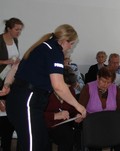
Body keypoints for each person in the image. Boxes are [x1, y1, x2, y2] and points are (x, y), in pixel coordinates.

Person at [0, 24, 86, 151]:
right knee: (32, 146)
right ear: (64, 41)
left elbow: (16, 67)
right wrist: (79, 106)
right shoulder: (54, 50)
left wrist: (7, 84)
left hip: (22, 99)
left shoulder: (42, 46)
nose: (70, 47)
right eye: (71, 44)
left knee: (42, 143)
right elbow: (58, 86)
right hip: (28, 101)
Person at [0, 17, 23, 151]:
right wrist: (6, 62)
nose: (19, 32)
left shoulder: (15, 40)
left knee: (9, 114)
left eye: (20, 29)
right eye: (17, 29)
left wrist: (16, 61)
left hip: (11, 80)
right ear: (9, 28)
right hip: (1, 80)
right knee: (3, 114)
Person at [44, 66, 81, 151]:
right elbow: (34, 114)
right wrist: (55, 115)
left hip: (61, 125)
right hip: (45, 124)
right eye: (65, 86)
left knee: (74, 135)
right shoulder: (45, 91)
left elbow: (72, 109)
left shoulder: (70, 90)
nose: (66, 89)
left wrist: (77, 115)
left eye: (69, 87)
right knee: (66, 136)